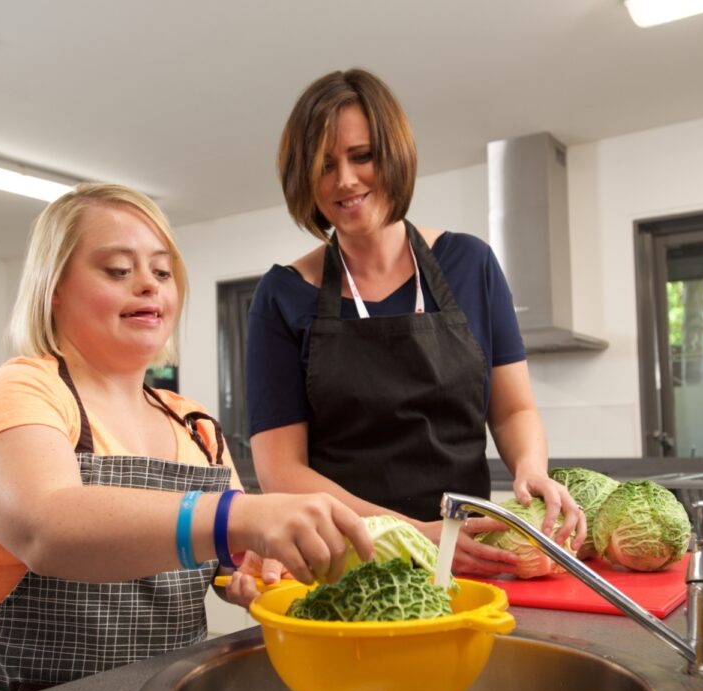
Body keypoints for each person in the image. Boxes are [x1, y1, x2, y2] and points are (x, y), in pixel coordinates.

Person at [0, 183, 370, 691]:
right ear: (53, 287)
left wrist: (252, 569)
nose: (148, 285)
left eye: (163, 272)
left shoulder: (193, 424)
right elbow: (48, 527)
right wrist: (239, 518)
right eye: (118, 270)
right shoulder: (23, 392)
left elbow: (232, 553)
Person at [245, 68, 585, 575]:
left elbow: (513, 410)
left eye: (362, 156)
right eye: (324, 165)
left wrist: (531, 468)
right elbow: (281, 472)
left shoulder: (470, 263)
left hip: (466, 561)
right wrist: (411, 535)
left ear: (394, 154)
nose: (345, 179)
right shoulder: (283, 295)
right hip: (348, 565)